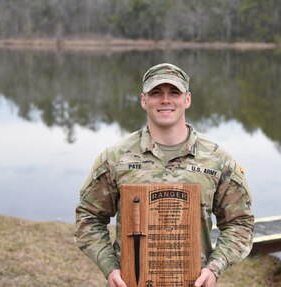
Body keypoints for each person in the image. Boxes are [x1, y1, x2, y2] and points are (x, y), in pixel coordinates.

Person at [75, 63, 254, 287]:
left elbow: (240, 223)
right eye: (156, 93)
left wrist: (214, 268)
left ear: (187, 99)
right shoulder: (115, 158)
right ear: (143, 100)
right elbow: (89, 218)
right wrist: (110, 268)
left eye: (174, 93)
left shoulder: (218, 160)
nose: (165, 100)